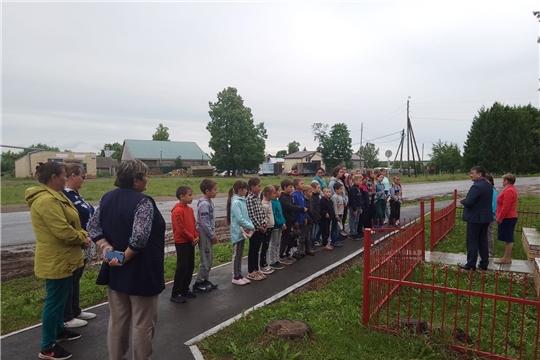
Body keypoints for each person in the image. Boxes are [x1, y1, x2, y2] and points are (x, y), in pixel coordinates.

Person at [87, 159, 165, 360]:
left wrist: (105, 246)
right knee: (143, 323)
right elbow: (139, 237)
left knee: (117, 321)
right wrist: (124, 257)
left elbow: (93, 227)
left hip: (115, 271)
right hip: (141, 271)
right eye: (145, 176)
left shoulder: (106, 198)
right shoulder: (143, 202)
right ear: (136, 180)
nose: (147, 180)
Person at [26, 162, 91, 360]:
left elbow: (72, 222)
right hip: (56, 259)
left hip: (66, 257)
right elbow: (62, 230)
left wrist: (80, 234)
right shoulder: (46, 200)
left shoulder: (57, 196)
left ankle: (59, 331)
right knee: (54, 303)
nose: (67, 178)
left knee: (62, 298)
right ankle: (47, 348)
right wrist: (82, 237)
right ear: (54, 177)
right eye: (64, 175)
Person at [62, 163, 97, 329]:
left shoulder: (76, 194)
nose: (84, 180)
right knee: (70, 279)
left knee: (77, 278)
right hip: (76, 242)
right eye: (82, 176)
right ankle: (67, 316)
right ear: (73, 176)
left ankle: (75, 310)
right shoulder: (64, 195)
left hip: (86, 241)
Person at [458, 166, 493, 271]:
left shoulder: (476, 187)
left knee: (472, 241)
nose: (471, 175)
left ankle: (471, 263)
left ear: (479, 174)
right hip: (485, 217)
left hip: (475, 218)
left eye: (472, 173)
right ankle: (484, 263)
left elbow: (469, 203)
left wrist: (463, 200)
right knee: (483, 240)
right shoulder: (488, 185)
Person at [170, 186, 199, 303]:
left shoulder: (190, 210)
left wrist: (196, 236)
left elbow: (193, 224)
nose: (192, 197)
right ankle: (176, 292)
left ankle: (185, 288)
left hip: (190, 241)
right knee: (182, 267)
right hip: (182, 242)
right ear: (182, 197)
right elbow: (181, 229)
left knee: (190, 265)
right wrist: (192, 237)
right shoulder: (177, 211)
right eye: (190, 195)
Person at [193, 179, 219, 293]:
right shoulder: (204, 204)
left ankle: (205, 279)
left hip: (208, 232)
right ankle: (198, 282)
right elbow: (204, 222)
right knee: (205, 258)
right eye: (215, 189)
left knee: (210, 258)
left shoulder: (208, 202)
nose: (216, 192)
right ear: (207, 191)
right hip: (204, 233)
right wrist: (212, 235)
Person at [227, 180, 254, 285]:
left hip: (244, 231)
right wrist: (251, 226)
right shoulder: (236, 202)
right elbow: (239, 219)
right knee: (236, 254)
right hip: (238, 231)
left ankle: (239, 275)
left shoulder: (242, 200)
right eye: (246, 189)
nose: (247, 191)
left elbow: (246, 217)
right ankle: (235, 276)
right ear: (240, 190)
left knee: (240, 254)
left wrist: (250, 226)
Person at [245, 177, 268, 281]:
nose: (260, 188)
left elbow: (261, 211)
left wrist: (264, 223)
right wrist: (259, 226)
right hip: (255, 228)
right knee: (253, 249)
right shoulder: (249, 199)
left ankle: (256, 268)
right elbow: (252, 215)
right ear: (252, 187)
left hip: (262, 227)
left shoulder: (258, 196)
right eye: (258, 186)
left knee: (257, 248)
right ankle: (251, 271)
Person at [279, 179, 307, 262]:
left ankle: (288, 253)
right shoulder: (284, 198)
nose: (291, 189)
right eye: (290, 187)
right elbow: (290, 207)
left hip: (291, 220)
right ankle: (282, 255)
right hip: (286, 220)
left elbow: (294, 206)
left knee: (291, 237)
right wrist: (301, 209)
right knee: (285, 238)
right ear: (285, 187)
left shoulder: (290, 197)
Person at [494, 173, 518, 264]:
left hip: (508, 217)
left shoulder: (509, 190)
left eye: (503, 180)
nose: (502, 182)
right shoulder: (509, 189)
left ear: (506, 181)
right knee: (508, 237)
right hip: (508, 217)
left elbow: (506, 207)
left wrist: (500, 218)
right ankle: (506, 257)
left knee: (508, 237)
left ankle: (507, 258)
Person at [260, 185, 277, 274]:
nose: (275, 195)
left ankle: (265, 263)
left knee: (266, 246)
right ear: (268, 194)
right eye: (273, 193)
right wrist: (265, 226)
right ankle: (263, 265)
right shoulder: (264, 205)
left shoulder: (269, 203)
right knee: (265, 247)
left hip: (270, 227)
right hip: (266, 228)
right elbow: (264, 217)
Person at [269, 185, 287, 269]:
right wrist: (280, 223)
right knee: (273, 243)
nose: (280, 192)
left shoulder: (277, 201)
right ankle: (272, 261)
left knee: (277, 243)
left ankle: (276, 259)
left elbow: (281, 213)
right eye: (278, 191)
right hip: (276, 226)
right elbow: (274, 216)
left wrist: (283, 222)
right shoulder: (272, 202)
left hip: (280, 225)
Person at [292, 178, 308, 259]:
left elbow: (304, 206)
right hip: (297, 218)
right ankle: (294, 251)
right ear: (296, 186)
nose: (303, 185)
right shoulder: (294, 195)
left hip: (302, 217)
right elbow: (295, 209)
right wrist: (296, 220)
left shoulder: (301, 194)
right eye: (301, 184)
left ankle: (301, 250)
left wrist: (305, 217)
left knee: (301, 235)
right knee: (296, 235)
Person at [297, 186, 315, 256]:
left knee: (307, 235)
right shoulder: (304, 200)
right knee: (302, 235)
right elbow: (307, 211)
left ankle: (308, 249)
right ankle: (301, 250)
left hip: (310, 219)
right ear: (305, 192)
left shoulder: (310, 200)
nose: (311, 194)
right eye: (310, 192)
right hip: (306, 219)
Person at [484, 175, 498, 256]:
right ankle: (485, 249)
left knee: (489, 233)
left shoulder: (492, 191)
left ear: (491, 182)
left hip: (490, 215)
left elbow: (494, 204)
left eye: (487, 181)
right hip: (485, 214)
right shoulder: (487, 190)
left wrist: (491, 213)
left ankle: (490, 251)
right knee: (484, 233)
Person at [347, 174, 363, 239]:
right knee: (353, 220)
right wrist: (354, 209)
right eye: (359, 181)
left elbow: (360, 198)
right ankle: (352, 233)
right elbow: (352, 200)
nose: (360, 182)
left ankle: (355, 232)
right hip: (354, 207)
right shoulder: (352, 189)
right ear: (355, 181)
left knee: (357, 220)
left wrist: (361, 207)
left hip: (359, 206)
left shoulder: (358, 188)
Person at [331, 182, 345, 248]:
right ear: (336, 190)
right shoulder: (334, 197)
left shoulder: (340, 196)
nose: (341, 190)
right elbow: (335, 207)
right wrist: (336, 215)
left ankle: (336, 239)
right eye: (340, 189)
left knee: (338, 228)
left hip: (340, 214)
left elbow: (341, 206)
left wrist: (341, 214)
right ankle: (333, 241)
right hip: (336, 215)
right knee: (335, 228)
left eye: (342, 189)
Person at [309, 181, 322, 248]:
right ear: (313, 189)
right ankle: (311, 244)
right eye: (318, 188)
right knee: (313, 232)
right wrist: (314, 217)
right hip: (314, 218)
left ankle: (313, 243)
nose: (320, 189)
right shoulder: (313, 198)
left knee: (315, 231)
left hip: (317, 217)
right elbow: (313, 209)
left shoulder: (317, 196)